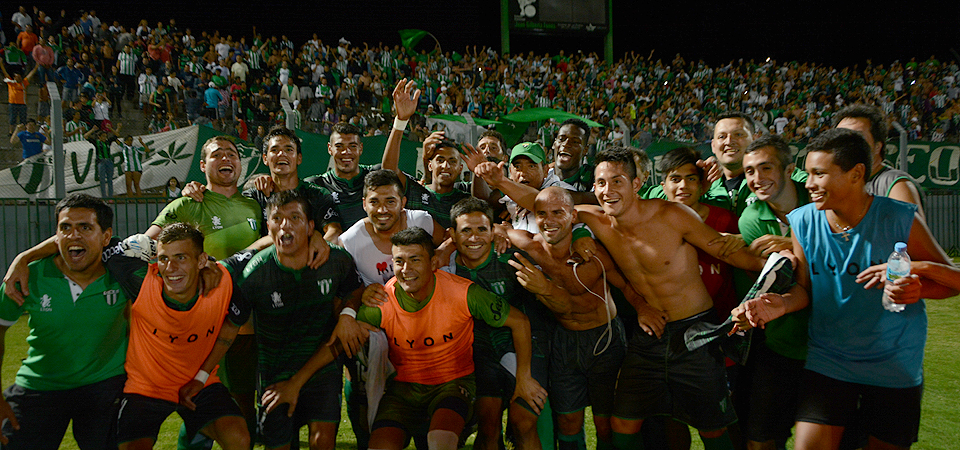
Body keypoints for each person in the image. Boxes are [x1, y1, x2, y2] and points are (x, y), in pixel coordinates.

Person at [474, 147, 766, 450]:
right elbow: (544, 204)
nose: (607, 191)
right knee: (623, 422)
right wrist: (500, 189)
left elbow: (723, 249)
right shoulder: (599, 221)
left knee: (713, 428)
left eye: (616, 182)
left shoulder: (673, 214)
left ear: (636, 184)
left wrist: (777, 259)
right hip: (651, 334)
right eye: (600, 183)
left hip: (694, 332)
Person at [733, 128, 957, 450]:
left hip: (893, 364)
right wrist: (779, 305)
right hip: (829, 361)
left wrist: (918, 279)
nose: (808, 183)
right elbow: (804, 290)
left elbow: (953, 280)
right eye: (808, 173)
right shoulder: (803, 222)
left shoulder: (898, 218)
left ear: (856, 174)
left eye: (818, 174)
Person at [353, 227, 544, 450]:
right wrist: (349, 319)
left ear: (433, 262)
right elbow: (353, 338)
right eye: (399, 261)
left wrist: (523, 378)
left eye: (415, 260)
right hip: (402, 391)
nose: (406, 269)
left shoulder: (462, 292)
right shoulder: (382, 301)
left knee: (440, 443)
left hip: (452, 384)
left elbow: (519, 321)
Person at [223, 192, 368, 450]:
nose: (285, 225)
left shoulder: (335, 261)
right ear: (268, 227)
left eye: (294, 218)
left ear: (311, 227)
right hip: (275, 375)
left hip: (322, 369)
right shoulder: (254, 274)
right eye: (277, 218)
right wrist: (200, 375)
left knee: (322, 441)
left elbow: (354, 289)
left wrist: (348, 315)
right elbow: (228, 330)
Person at [501, 187, 641, 450]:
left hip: (605, 338)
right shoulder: (531, 245)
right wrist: (498, 232)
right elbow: (501, 229)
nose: (549, 220)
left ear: (573, 216)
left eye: (558, 212)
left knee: (605, 422)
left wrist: (644, 309)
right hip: (565, 340)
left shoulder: (594, 253)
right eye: (541, 213)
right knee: (567, 420)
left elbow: (626, 286)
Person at [0, 194, 141, 449]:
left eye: (85, 227)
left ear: (106, 236)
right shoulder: (28, 276)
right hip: (40, 384)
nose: (73, 235)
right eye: (65, 228)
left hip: (104, 386)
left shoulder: (124, 275)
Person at [115, 223, 251, 450]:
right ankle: (194, 436)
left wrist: (201, 376)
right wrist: (31, 255)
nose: (170, 267)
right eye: (163, 258)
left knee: (239, 439)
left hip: (199, 384)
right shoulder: (141, 280)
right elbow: (90, 240)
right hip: (145, 387)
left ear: (200, 260)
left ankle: (194, 434)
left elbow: (234, 322)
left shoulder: (222, 281)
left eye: (181, 257)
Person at [444, 197, 556, 450]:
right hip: (481, 350)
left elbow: (534, 313)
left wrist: (524, 377)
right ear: (452, 234)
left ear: (492, 230)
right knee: (488, 423)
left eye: (482, 229)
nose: (474, 238)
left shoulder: (511, 260)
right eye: (466, 231)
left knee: (523, 420)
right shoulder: (447, 267)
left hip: (525, 344)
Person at [737, 134, 812, 450]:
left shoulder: (820, 200)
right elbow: (787, 278)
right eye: (750, 171)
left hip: (833, 347)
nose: (757, 178)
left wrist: (790, 244)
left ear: (790, 169)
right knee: (761, 441)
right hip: (781, 344)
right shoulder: (752, 219)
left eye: (765, 168)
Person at [382, 79, 470, 229]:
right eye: (440, 159)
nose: (445, 165)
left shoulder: (466, 199)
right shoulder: (415, 190)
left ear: (461, 168)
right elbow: (389, 170)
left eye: (452, 161)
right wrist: (401, 120)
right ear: (429, 165)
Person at [339, 169, 444, 287]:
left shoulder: (420, 221)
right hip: (383, 304)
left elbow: (452, 239)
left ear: (403, 202)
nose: (382, 210)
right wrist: (364, 292)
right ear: (364, 204)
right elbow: (345, 289)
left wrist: (445, 249)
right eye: (374, 202)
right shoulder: (350, 241)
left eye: (390, 202)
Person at [833, 104, 925, 219]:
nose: (846, 143)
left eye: (857, 137)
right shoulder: (836, 184)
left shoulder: (896, 185)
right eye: (840, 136)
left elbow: (911, 235)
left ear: (877, 146)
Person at [306, 122, 379, 228]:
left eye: (352, 146)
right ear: (330, 149)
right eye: (339, 146)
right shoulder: (316, 185)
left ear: (361, 148)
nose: (346, 152)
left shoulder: (375, 176)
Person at [84, 124, 123, 198]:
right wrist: (92, 130)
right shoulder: (97, 142)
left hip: (109, 161)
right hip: (101, 162)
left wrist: (111, 128)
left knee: (110, 180)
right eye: (103, 136)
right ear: (99, 137)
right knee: (102, 180)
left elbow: (116, 134)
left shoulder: (108, 142)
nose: (105, 138)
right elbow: (85, 136)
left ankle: (110, 196)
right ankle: (104, 196)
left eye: (106, 136)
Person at [2, 61, 37, 135]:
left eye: (20, 76)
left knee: (23, 119)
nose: (19, 78)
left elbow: (30, 75)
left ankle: (23, 132)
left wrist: (36, 67)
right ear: (14, 77)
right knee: (12, 118)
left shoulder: (24, 83)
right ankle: (11, 132)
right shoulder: (11, 83)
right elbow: (5, 72)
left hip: (22, 104)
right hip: (13, 103)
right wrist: (1, 64)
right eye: (17, 76)